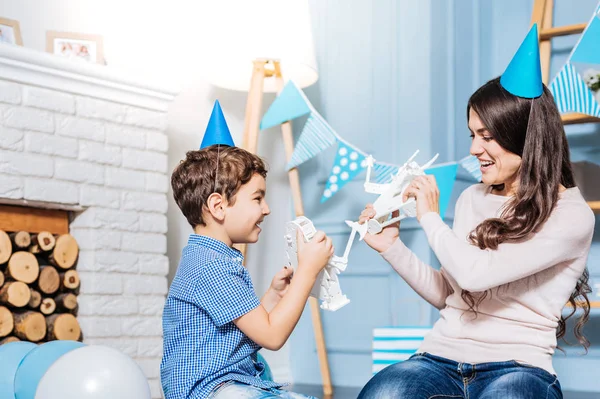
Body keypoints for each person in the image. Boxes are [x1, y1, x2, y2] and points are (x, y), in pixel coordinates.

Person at [357, 24, 595, 399]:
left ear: (524, 137)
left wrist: (430, 217)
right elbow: (450, 293)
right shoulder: (472, 198)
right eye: (472, 134)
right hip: (439, 358)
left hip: (520, 365)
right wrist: (392, 248)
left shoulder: (571, 215)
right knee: (384, 393)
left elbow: (474, 274)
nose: (473, 149)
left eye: (487, 136)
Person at [161, 101, 333, 399]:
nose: (266, 209)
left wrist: (273, 297)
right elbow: (272, 335)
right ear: (218, 206)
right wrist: (308, 270)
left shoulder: (207, 257)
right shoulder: (213, 265)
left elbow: (240, 327)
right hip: (212, 391)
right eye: (257, 198)